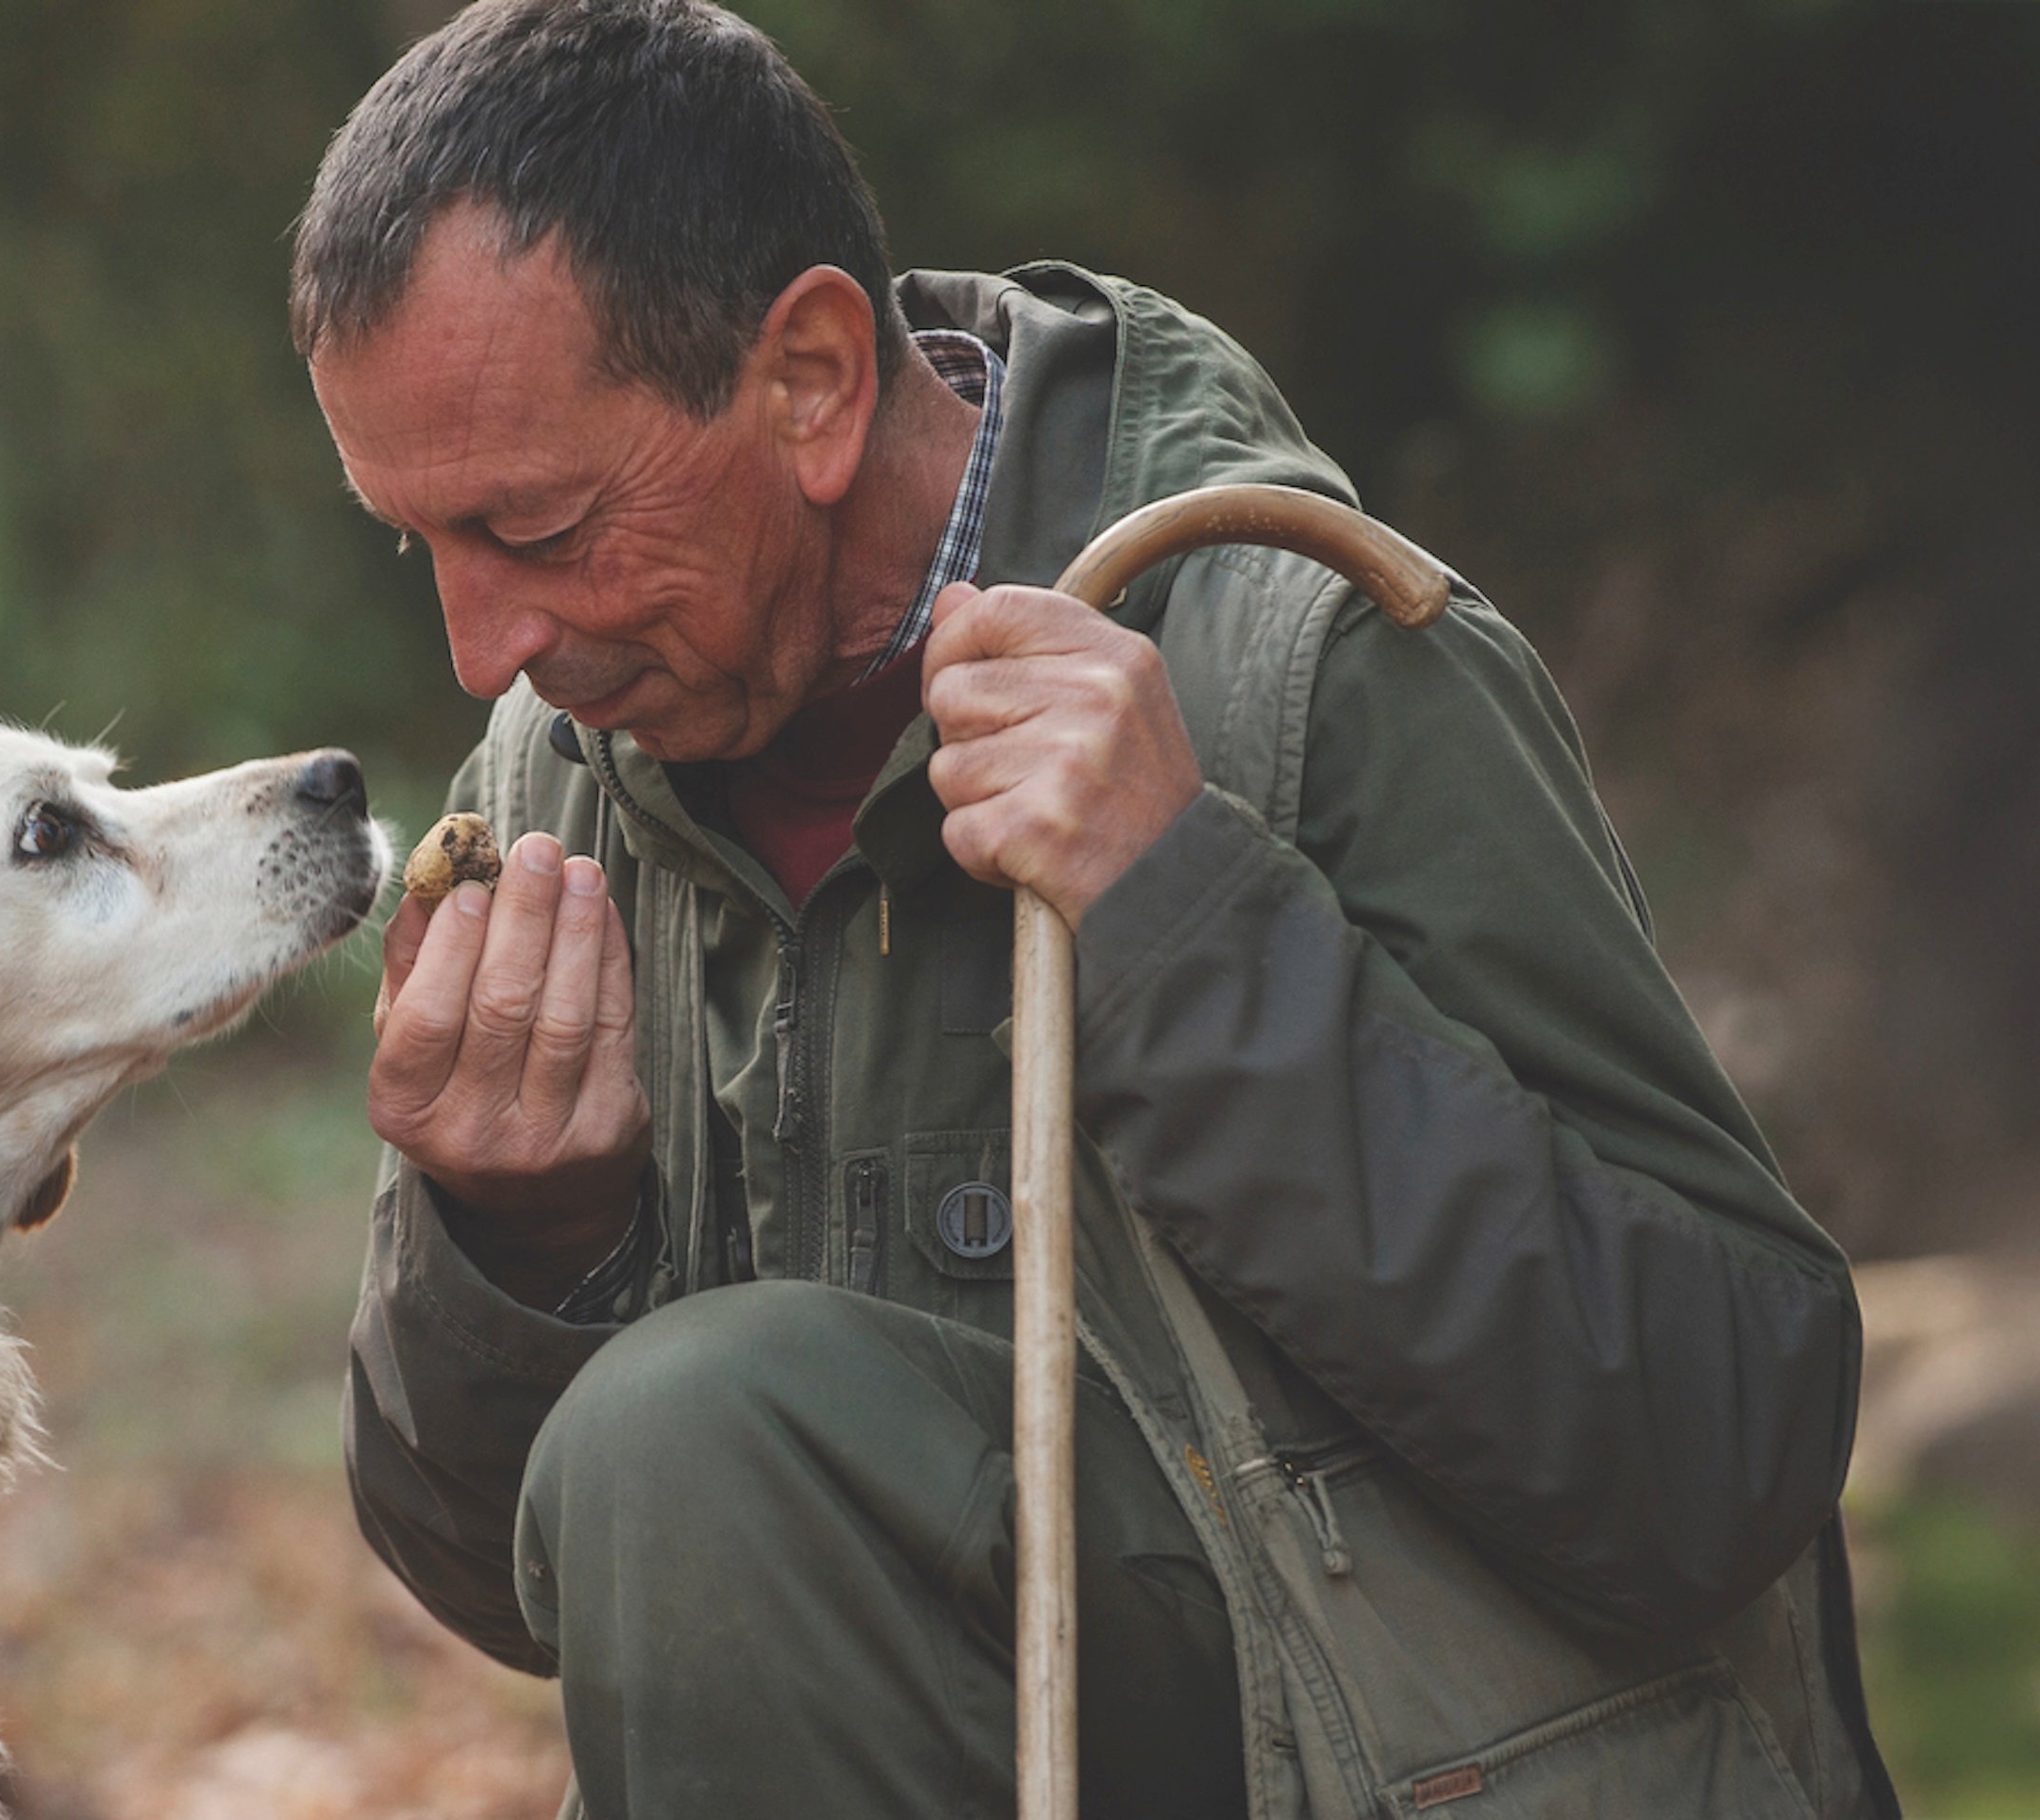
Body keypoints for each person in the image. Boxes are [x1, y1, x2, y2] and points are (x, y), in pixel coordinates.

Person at [293, 2, 1898, 1814]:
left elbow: (1727, 1447)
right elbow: (538, 1592)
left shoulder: (1295, 658)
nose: (476, 645)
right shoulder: (562, 765)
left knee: (695, 1427)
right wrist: (528, 1246)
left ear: (813, 379)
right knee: (680, 1445)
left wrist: (1186, 929)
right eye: (411, 540)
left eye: (541, 526)